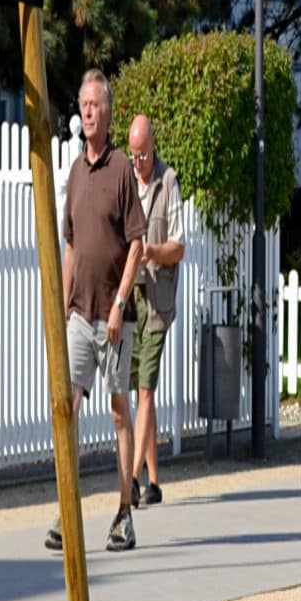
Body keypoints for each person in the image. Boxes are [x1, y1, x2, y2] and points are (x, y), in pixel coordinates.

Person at [47, 69, 144, 554]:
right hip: (80, 316)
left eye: (96, 105)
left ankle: (125, 512)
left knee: (118, 410)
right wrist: (60, 306)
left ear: (108, 112)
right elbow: (70, 244)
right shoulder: (74, 172)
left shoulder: (121, 168)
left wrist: (121, 302)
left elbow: (136, 244)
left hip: (114, 318)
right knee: (68, 406)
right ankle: (68, 511)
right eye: (83, 104)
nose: (88, 112)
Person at [127, 114, 184, 508]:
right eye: (133, 156)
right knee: (139, 391)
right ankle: (155, 480)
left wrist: (153, 252)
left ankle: (131, 478)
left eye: (144, 155)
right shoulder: (128, 181)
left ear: (154, 146)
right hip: (132, 297)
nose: (139, 163)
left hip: (158, 299)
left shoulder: (169, 182)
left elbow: (179, 246)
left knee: (146, 388)